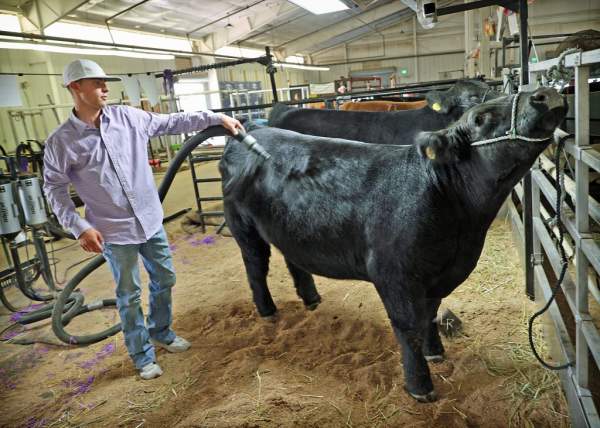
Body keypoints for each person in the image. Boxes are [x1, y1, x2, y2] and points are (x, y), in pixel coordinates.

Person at [43, 59, 243, 380]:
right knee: (129, 295)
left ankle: (160, 331)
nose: (105, 88)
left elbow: (172, 122)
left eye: (105, 81)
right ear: (75, 88)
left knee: (165, 279)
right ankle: (141, 355)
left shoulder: (128, 117)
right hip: (113, 231)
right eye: (96, 83)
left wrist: (215, 117)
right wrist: (80, 227)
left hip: (150, 221)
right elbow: (54, 190)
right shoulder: (61, 141)